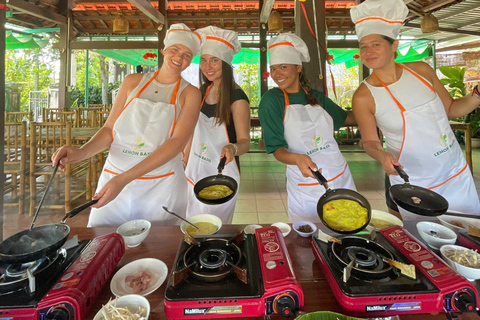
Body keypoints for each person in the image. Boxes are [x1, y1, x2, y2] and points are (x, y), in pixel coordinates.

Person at [52, 23, 202, 227]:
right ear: (164, 50)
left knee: (158, 250)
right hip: (114, 176)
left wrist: (124, 180)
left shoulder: (190, 93)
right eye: (175, 49)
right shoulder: (132, 81)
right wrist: (80, 152)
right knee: (101, 242)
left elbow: (177, 143)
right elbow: (109, 130)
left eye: (187, 55)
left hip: (160, 184)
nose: (179, 57)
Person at [350, 0, 480, 219]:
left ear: (394, 45)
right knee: (419, 242)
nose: (367, 51)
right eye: (363, 46)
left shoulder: (421, 71)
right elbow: (370, 142)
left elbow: (451, 109)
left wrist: (477, 94)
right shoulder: (363, 96)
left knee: (466, 237)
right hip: (412, 180)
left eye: (375, 44)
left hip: (454, 172)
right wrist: (381, 155)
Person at [258, 33, 357, 223]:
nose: (277, 74)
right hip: (306, 184)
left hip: (340, 176)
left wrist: (375, 112)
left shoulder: (316, 96)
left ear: (298, 68)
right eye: (273, 68)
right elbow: (276, 149)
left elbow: (347, 119)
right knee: (308, 240)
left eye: (283, 67)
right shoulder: (271, 101)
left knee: (348, 229)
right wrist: (296, 158)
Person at [183, 26, 250, 224]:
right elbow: (191, 134)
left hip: (222, 175)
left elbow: (245, 142)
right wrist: (183, 162)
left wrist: (233, 147)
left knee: (212, 227)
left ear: (226, 64)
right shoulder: (201, 91)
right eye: (203, 60)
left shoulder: (237, 98)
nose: (207, 66)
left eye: (214, 60)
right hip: (194, 170)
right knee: (189, 226)